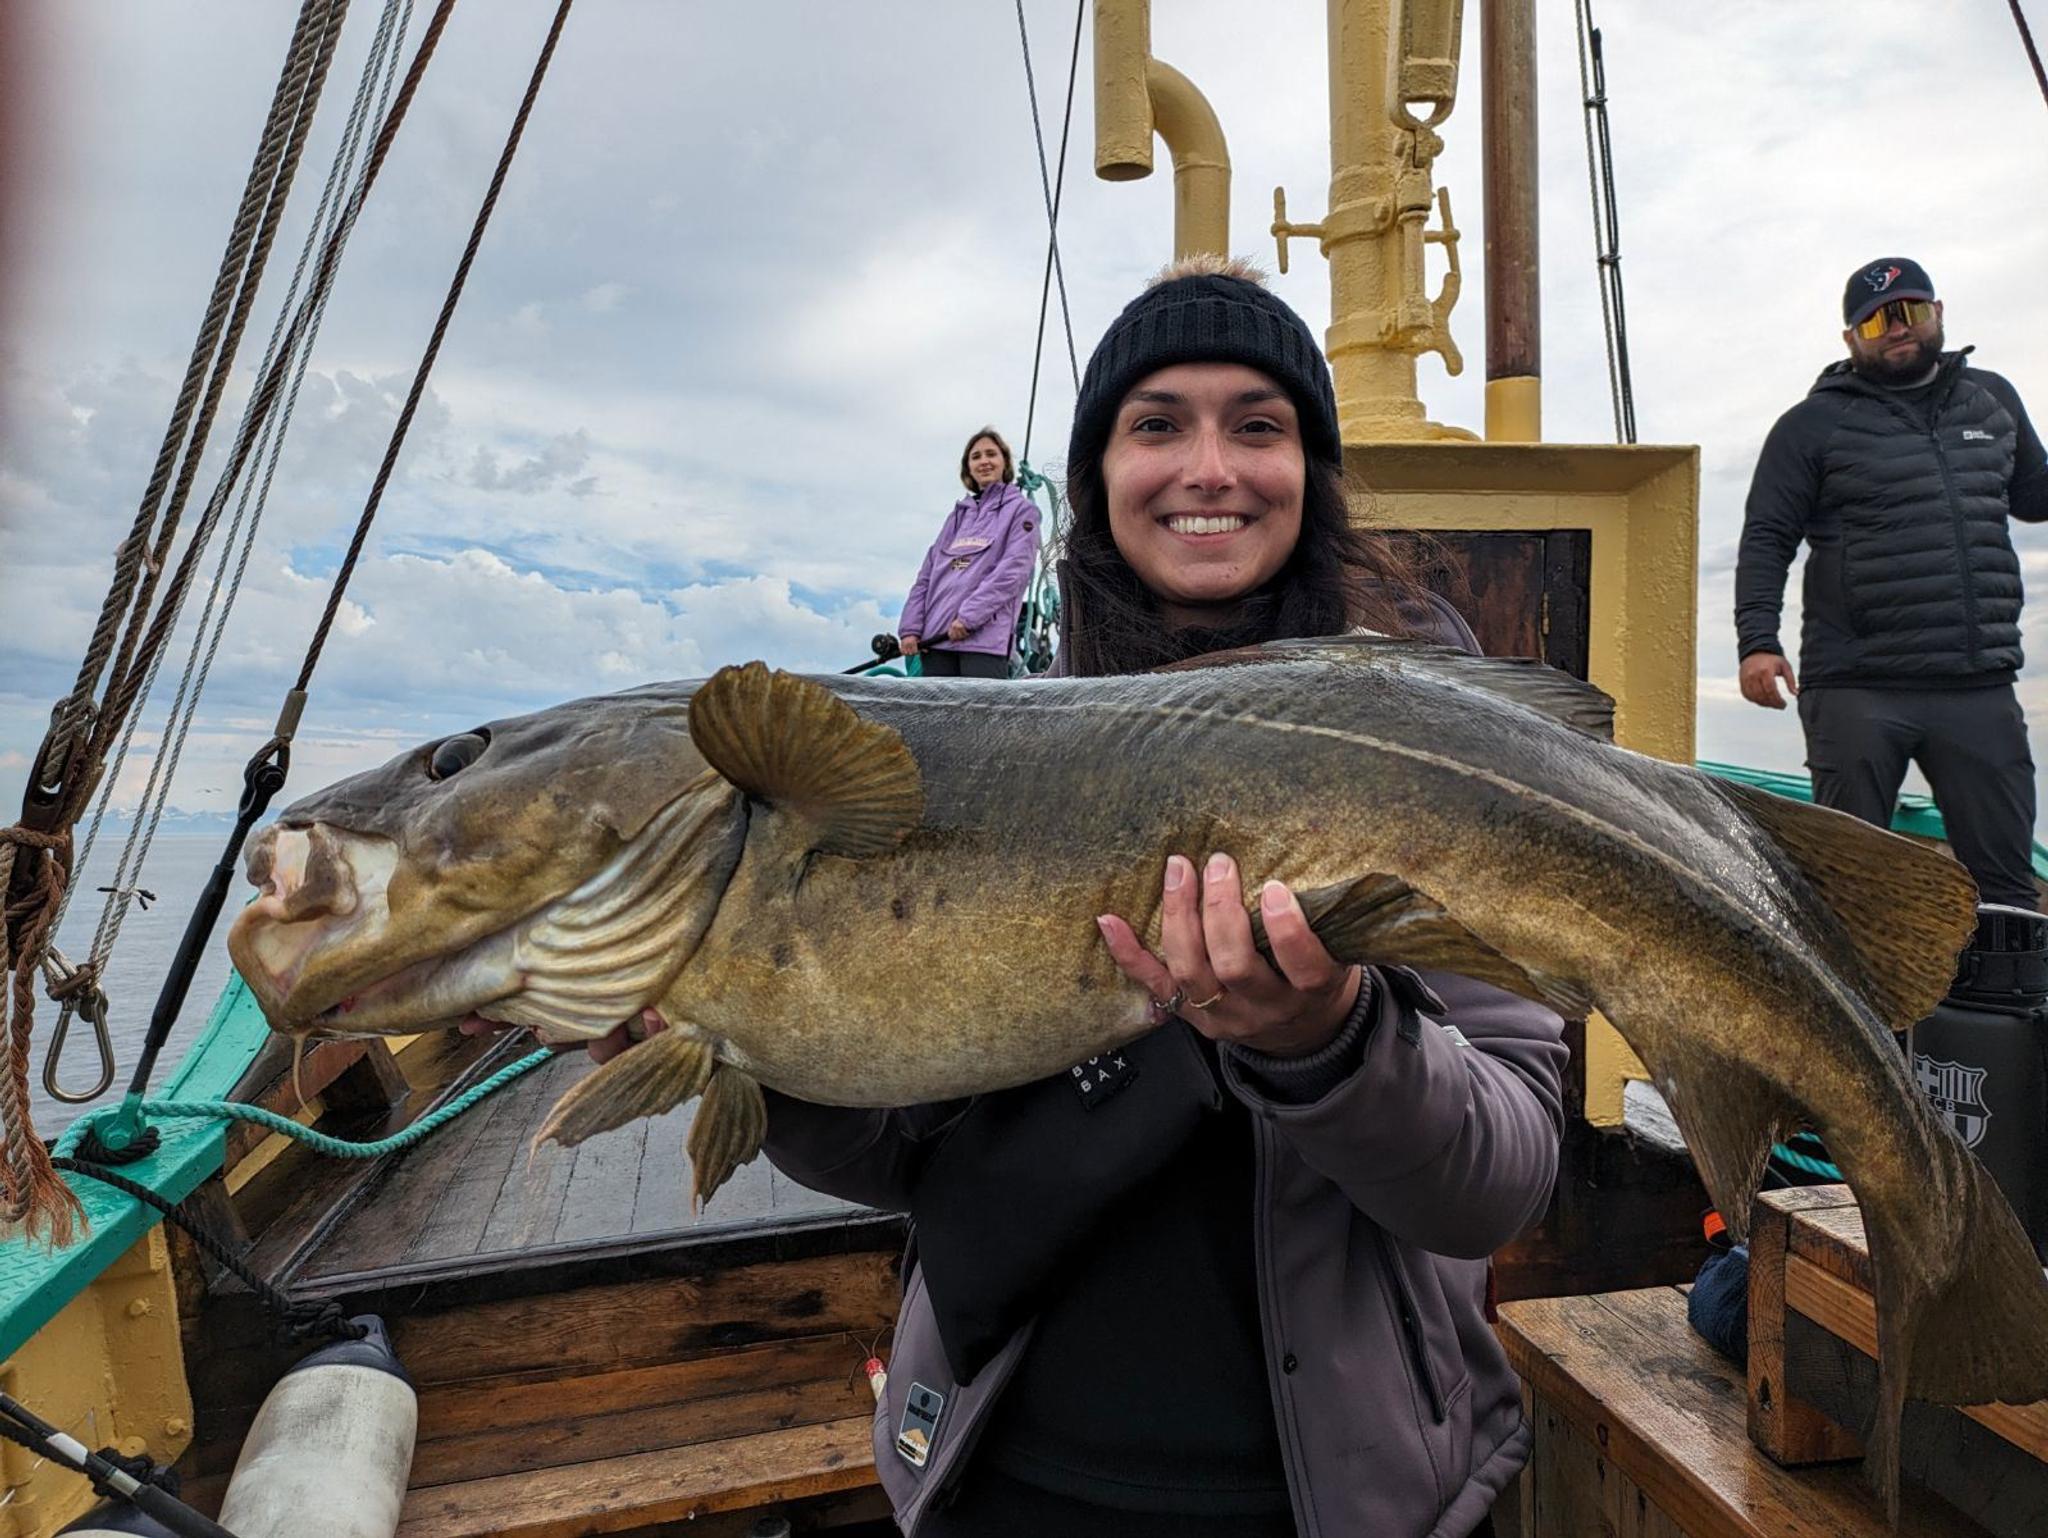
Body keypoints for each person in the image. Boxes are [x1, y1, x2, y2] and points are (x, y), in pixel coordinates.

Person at [579, 257, 1566, 1537]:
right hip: (1007, 1476)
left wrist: (1329, 1048)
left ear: (1309, 474)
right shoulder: (976, 756)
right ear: (1096, 477)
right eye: (1155, 424)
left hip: (1341, 1502)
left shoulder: (1434, 760)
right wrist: (754, 1047)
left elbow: (1499, 1177)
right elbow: (892, 1149)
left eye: (1256, 426)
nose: (1207, 467)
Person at [1735, 257, 2047, 910]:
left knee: (2007, 888)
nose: (1896, 327)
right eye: (1876, 318)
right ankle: (1865, 1017)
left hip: (1978, 684)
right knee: (1847, 892)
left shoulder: (1993, 399)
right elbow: (1768, 536)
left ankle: (1999, 1009)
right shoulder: (1811, 425)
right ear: (1851, 338)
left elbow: (2034, 496)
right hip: (1857, 688)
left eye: (1910, 310)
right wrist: (1757, 642)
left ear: (1939, 314)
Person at [898, 427, 1041, 678]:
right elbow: (927, 575)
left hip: (983, 641)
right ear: (968, 468)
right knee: (936, 716)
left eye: (991, 454)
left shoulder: (1021, 511)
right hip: (936, 639)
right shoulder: (957, 516)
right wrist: (910, 628)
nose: (984, 461)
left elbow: (1013, 572)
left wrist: (969, 618)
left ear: (1004, 463)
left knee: (982, 716)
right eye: (975, 457)